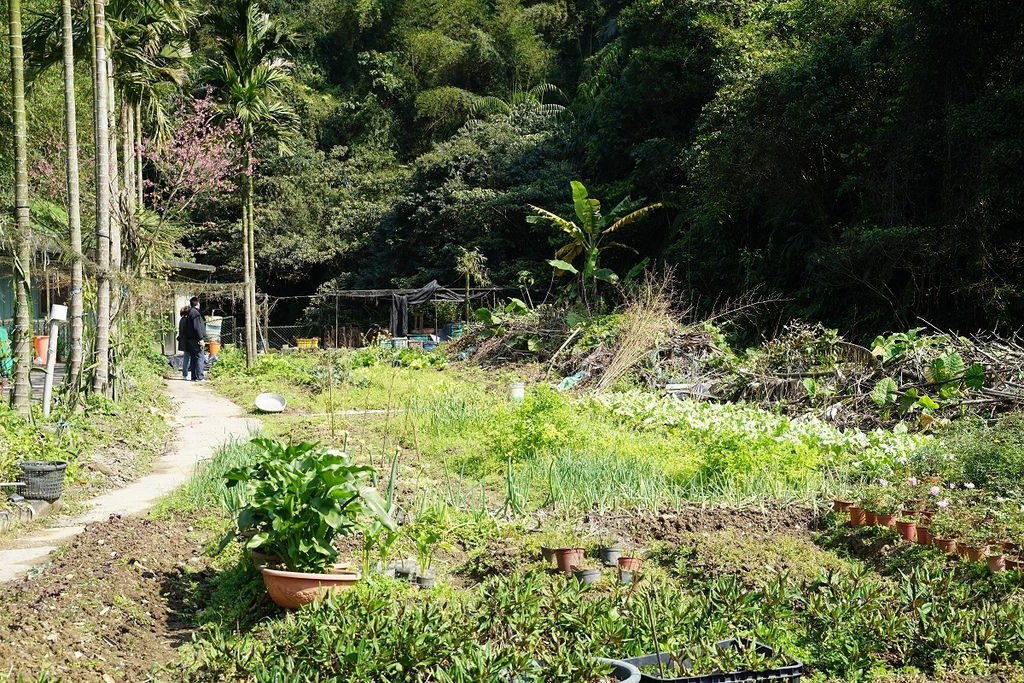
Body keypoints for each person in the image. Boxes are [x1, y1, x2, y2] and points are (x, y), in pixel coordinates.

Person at [184, 297, 207, 381]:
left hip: (190, 339)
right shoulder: (196, 313)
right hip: (195, 339)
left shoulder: (190, 312)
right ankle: (200, 377)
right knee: (199, 357)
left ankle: (194, 376)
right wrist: (200, 339)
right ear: (198, 304)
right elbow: (197, 327)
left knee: (194, 358)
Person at [176, 305, 192, 380]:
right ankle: (185, 373)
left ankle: (185, 373)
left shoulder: (182, 319)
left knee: (186, 357)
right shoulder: (187, 320)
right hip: (187, 341)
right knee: (188, 357)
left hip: (183, 341)